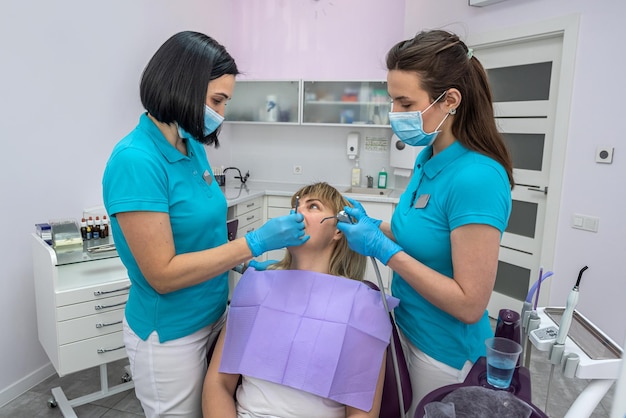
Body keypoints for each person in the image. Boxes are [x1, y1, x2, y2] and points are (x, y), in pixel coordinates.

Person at [102, 31, 308, 418]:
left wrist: (241, 265)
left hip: (213, 314)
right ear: (183, 85)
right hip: (171, 334)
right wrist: (254, 243)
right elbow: (162, 273)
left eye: (225, 101)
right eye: (217, 100)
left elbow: (197, 236)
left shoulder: (189, 145)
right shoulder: (135, 161)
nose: (221, 113)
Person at [336, 29, 514, 416]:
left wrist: (384, 250)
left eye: (405, 102)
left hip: (444, 355)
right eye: (392, 101)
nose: (395, 113)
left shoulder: (478, 178)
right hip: (406, 328)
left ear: (450, 100)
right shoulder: (428, 157)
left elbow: (470, 304)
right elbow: (421, 235)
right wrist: (374, 225)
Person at [203, 182, 394, 418]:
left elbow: (361, 413)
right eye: (295, 206)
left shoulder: (362, 307)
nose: (297, 212)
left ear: (338, 230)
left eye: (312, 206)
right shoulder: (256, 288)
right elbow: (218, 385)